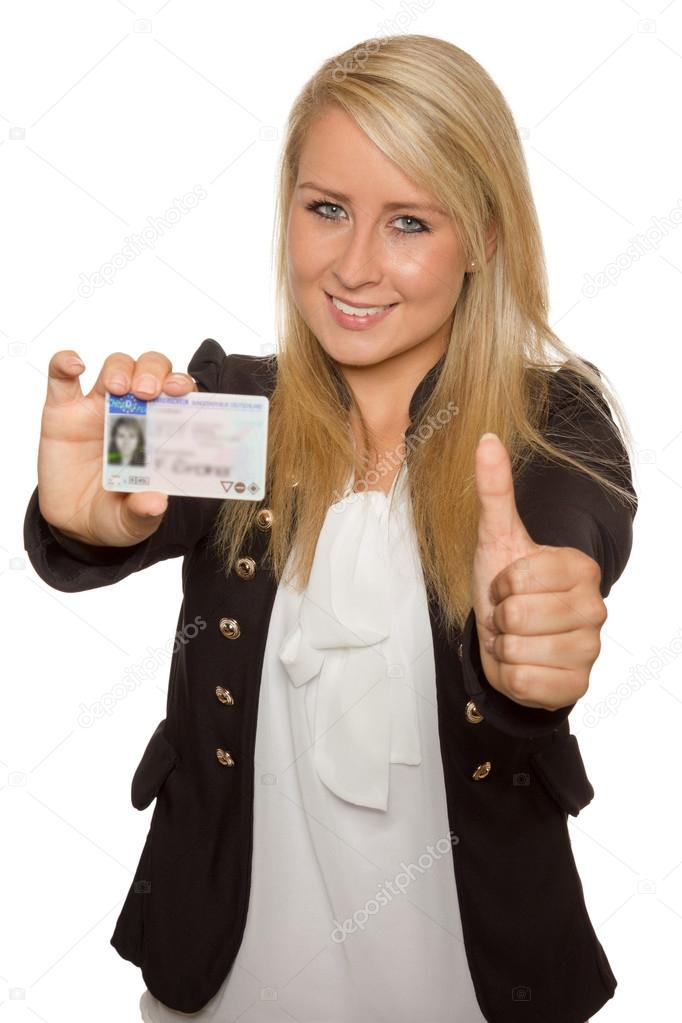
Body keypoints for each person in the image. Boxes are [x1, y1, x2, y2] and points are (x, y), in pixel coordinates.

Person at [23, 34, 636, 1023]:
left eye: (407, 222)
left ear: (481, 237)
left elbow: (571, 527)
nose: (354, 267)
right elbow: (116, 507)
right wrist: (81, 520)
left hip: (470, 972)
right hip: (228, 962)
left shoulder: (546, 424)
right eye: (327, 210)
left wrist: (541, 620)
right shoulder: (235, 414)